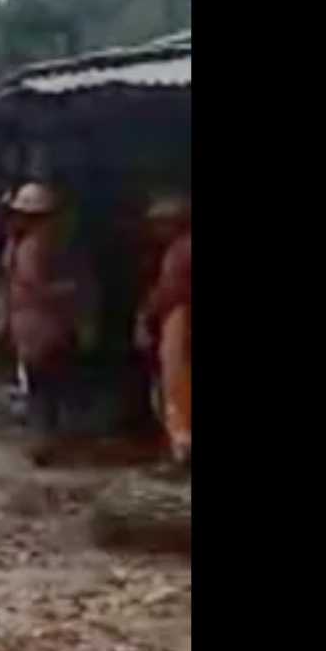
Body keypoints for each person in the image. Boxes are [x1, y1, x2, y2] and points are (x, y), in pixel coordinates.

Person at [0, 182, 97, 466]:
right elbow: (34, 285)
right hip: (43, 325)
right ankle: (46, 441)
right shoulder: (35, 245)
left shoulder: (23, 244)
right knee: (47, 386)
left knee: (42, 386)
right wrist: (72, 291)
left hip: (32, 326)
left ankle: (45, 441)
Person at [135, 193, 191, 470]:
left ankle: (181, 450)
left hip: (180, 322)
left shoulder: (180, 252)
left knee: (175, 388)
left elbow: (168, 292)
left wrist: (145, 315)